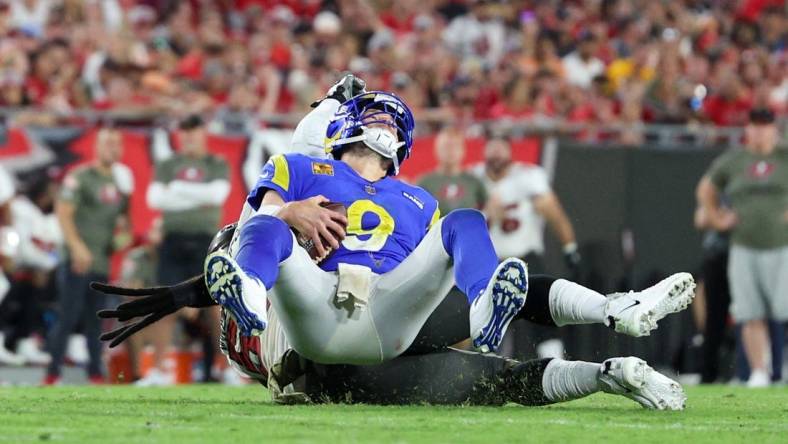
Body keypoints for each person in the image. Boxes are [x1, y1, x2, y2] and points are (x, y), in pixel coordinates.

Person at [97, 76, 695, 409]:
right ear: (339, 127)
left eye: (392, 118)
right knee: (258, 231)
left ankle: (602, 337)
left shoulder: (416, 198)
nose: (381, 122)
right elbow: (259, 221)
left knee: (465, 231)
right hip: (315, 339)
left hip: (389, 310)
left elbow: (433, 273)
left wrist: (179, 294)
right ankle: (246, 294)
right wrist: (287, 215)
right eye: (370, 113)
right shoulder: (300, 168)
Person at [696, 108, 788, 387]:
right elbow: (705, 189)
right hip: (743, 245)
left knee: (784, 310)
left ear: (774, 128)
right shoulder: (734, 161)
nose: (760, 131)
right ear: (747, 128)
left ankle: (778, 367)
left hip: (782, 245)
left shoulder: (785, 156)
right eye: (755, 125)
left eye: (765, 125)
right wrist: (716, 218)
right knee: (749, 311)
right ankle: (760, 370)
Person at [471, 134, 581, 360]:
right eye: (492, 149)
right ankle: (483, 372)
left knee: (544, 314)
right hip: (490, 261)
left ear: (511, 153)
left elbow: (553, 211)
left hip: (525, 257)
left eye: (501, 148)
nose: (497, 155)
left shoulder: (528, 176)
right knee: (485, 321)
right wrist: (486, 214)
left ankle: (555, 367)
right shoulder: (473, 178)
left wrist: (569, 246)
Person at [45, 127, 133, 385]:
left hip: (100, 261)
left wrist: (121, 239)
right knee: (68, 316)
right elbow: (63, 212)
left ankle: (95, 373)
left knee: (97, 319)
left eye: (117, 144)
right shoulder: (81, 177)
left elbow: (125, 223)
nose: (112, 148)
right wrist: (76, 247)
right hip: (77, 260)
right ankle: (52, 373)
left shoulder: (120, 183)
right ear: (97, 147)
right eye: (107, 143)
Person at [146, 114, 230, 382]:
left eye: (193, 132)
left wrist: (177, 190)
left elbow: (216, 195)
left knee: (216, 304)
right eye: (184, 133)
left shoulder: (216, 163)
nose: (189, 138)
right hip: (172, 239)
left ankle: (226, 368)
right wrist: (198, 195)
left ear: (203, 134)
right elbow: (155, 199)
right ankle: (159, 371)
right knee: (164, 303)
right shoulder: (169, 163)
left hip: (206, 240)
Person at [418, 127, 487, 213]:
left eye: (455, 146)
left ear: (463, 150)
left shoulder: (474, 182)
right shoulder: (424, 183)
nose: (450, 151)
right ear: (437, 149)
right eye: (446, 146)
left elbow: (487, 210)